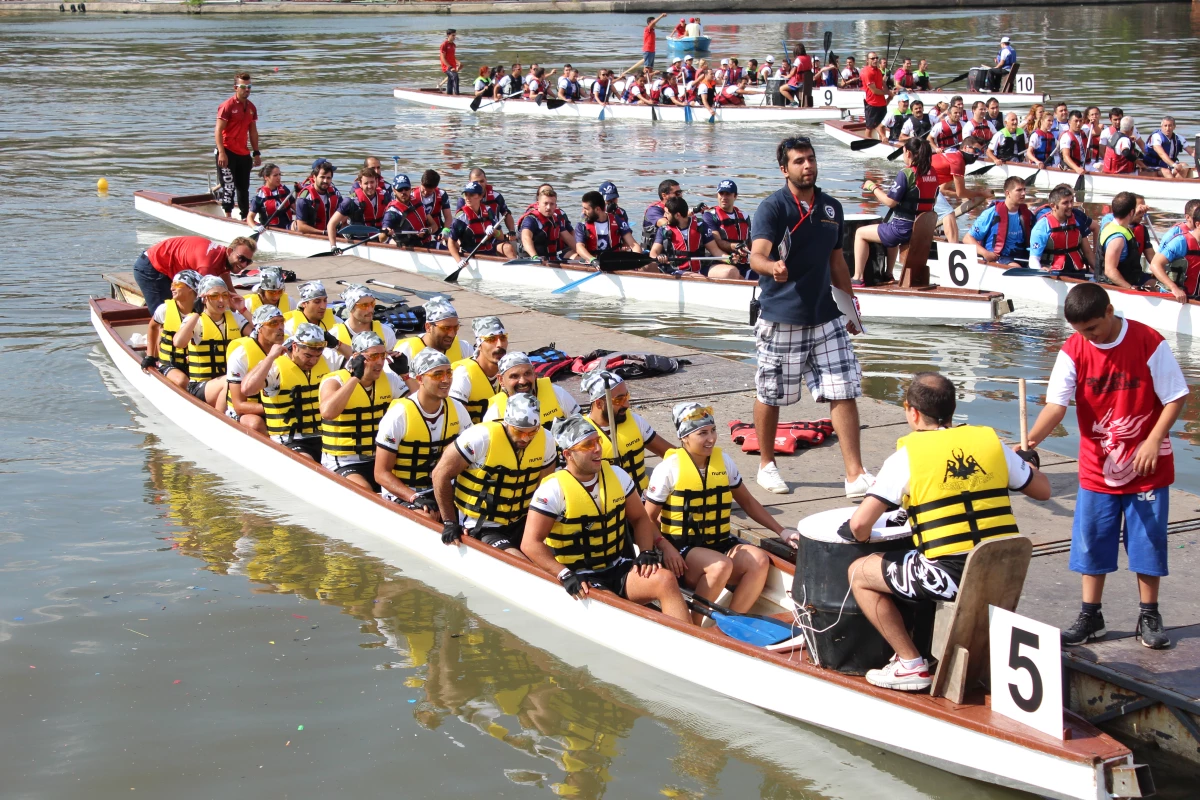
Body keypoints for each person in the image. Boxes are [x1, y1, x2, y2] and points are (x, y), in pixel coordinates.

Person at [844, 372, 1050, 690]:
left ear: (912, 412)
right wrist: (1026, 463)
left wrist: (859, 539)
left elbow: (859, 525)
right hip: (1004, 572)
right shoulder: (992, 444)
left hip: (953, 576)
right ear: (953, 409)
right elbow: (1043, 490)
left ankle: (910, 664)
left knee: (860, 572)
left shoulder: (906, 459)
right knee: (914, 559)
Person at [1026, 283, 1187, 649]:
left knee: (1148, 542)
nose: (1088, 337)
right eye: (1080, 332)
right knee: (1092, 541)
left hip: (1148, 467)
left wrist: (1151, 440)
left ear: (1110, 312)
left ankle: (1149, 613)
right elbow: (1056, 406)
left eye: (1093, 329)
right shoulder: (1073, 349)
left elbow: (1176, 397)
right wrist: (1030, 442)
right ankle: (1090, 614)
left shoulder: (1149, 341)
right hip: (1098, 467)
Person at [748, 136, 868, 497]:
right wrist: (772, 267)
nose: (808, 166)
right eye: (799, 161)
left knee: (844, 389)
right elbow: (756, 257)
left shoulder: (831, 208)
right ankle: (766, 464)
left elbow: (837, 262)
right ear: (784, 169)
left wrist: (851, 306)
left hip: (826, 317)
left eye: (811, 159)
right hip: (782, 316)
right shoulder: (772, 208)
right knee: (772, 394)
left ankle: (855, 475)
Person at [523, 415, 690, 622]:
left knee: (665, 579)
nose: (597, 449)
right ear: (568, 454)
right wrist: (564, 574)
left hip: (617, 566)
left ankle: (690, 643)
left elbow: (639, 518)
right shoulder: (552, 490)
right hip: (581, 576)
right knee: (617, 608)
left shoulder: (618, 475)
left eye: (598, 441)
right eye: (587, 445)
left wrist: (646, 551)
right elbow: (530, 543)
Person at [644, 403, 789, 622]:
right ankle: (694, 625)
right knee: (720, 565)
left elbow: (748, 502)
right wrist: (663, 546)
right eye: (702, 433)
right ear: (684, 438)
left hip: (719, 545)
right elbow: (646, 520)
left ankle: (731, 625)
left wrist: (783, 531)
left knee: (759, 561)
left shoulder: (724, 462)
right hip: (680, 553)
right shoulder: (668, 469)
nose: (711, 438)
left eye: (712, 430)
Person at [435, 393, 556, 553]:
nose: (525, 439)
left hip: (523, 522)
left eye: (532, 432)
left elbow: (544, 488)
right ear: (506, 422)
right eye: (519, 432)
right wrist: (450, 522)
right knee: (517, 561)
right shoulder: (480, 438)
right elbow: (440, 474)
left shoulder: (546, 440)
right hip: (482, 524)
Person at [375, 348, 471, 517]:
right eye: (437, 375)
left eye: (449, 373)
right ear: (420, 379)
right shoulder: (399, 415)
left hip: (441, 487)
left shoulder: (457, 409)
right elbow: (381, 473)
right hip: (405, 491)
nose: (446, 380)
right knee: (428, 516)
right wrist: (413, 497)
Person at [318, 330, 409, 490]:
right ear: (356, 357)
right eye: (373, 356)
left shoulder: (389, 379)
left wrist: (406, 375)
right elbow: (328, 412)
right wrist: (355, 378)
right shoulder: (335, 380)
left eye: (383, 355)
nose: (380, 362)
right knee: (364, 490)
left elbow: (421, 403)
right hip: (344, 461)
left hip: (379, 459)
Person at [853, 138, 939, 285]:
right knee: (889, 231)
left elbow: (890, 202)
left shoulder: (906, 174)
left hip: (903, 229)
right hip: (922, 230)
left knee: (860, 233)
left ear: (909, 153)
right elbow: (933, 200)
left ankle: (857, 278)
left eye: (903, 152)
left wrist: (872, 187)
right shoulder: (934, 173)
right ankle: (888, 274)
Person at [579, 370, 672, 495]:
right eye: (619, 400)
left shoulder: (635, 420)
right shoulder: (579, 434)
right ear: (599, 404)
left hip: (641, 499)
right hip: (608, 507)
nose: (627, 404)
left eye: (626, 396)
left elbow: (670, 453)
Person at [174, 274, 252, 406]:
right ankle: (221, 418)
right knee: (229, 380)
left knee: (237, 381)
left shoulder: (235, 318)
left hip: (229, 382)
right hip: (199, 386)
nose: (221, 300)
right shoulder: (195, 320)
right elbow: (179, 343)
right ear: (203, 299)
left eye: (225, 295)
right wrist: (197, 312)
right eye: (214, 296)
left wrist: (243, 309)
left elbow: (262, 335)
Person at [259, 322, 331, 462]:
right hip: (289, 440)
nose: (313, 361)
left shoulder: (327, 361)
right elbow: (248, 388)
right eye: (308, 356)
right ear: (295, 347)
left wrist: (338, 345)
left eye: (317, 356)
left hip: (323, 437)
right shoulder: (275, 367)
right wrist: (269, 358)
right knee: (308, 463)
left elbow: (360, 370)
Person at [133, 235, 252, 316]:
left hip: (168, 266)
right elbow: (202, 300)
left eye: (248, 261)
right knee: (166, 315)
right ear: (230, 251)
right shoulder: (206, 266)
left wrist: (240, 314)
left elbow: (229, 288)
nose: (244, 264)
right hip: (151, 268)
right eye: (241, 258)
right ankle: (158, 351)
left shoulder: (224, 257)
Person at [225, 304, 287, 433]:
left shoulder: (290, 348)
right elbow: (239, 406)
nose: (280, 328)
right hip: (247, 414)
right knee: (255, 423)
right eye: (273, 323)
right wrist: (276, 407)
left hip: (281, 407)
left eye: (282, 322)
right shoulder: (240, 355)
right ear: (260, 328)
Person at [141, 269, 202, 391]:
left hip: (196, 364)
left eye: (177, 285)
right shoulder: (164, 309)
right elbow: (153, 327)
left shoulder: (203, 313)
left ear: (191, 288)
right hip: (170, 364)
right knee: (182, 381)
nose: (172, 288)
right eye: (171, 285)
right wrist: (150, 356)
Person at [483, 351, 580, 427]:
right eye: (514, 376)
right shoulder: (495, 413)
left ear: (534, 373)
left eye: (527, 373)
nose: (523, 381)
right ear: (501, 380)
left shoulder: (556, 393)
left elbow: (581, 425)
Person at [649, 196, 737, 279]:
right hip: (676, 270)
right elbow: (653, 252)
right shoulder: (663, 230)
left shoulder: (701, 226)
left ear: (677, 215)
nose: (665, 215)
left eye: (667, 213)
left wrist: (730, 259)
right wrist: (659, 257)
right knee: (699, 278)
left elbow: (716, 251)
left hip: (701, 269)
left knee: (731, 271)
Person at [213, 72, 260, 222]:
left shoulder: (251, 107)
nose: (247, 89)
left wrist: (256, 152)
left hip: (243, 152)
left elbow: (253, 131)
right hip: (226, 151)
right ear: (236, 88)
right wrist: (221, 152)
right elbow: (218, 130)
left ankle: (245, 217)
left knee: (243, 187)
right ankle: (227, 216)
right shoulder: (227, 106)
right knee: (229, 185)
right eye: (243, 87)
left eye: (249, 87)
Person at [965, 177, 1032, 268]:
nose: (1024, 193)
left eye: (1024, 190)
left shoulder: (1027, 214)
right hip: (998, 257)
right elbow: (967, 238)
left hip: (1021, 256)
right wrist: (985, 253)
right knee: (1016, 268)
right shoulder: (991, 213)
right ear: (1008, 193)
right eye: (1019, 190)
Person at [931, 135, 988, 244]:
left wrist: (969, 195)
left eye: (980, 152)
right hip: (920, 182)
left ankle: (929, 232)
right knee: (948, 213)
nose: (977, 154)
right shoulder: (958, 161)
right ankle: (954, 247)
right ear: (965, 148)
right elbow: (961, 192)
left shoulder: (953, 155)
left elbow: (944, 190)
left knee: (937, 210)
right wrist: (980, 194)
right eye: (975, 150)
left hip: (925, 183)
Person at [450, 316, 507, 424]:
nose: (499, 344)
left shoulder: (512, 371)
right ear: (479, 345)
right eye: (491, 339)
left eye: (503, 338)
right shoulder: (464, 374)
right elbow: (456, 419)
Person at [328, 284, 398, 369]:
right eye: (364, 305)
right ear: (351, 307)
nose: (370, 310)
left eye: (372, 304)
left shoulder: (386, 332)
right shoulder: (334, 335)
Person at [1029, 184, 1094, 275]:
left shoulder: (1077, 222)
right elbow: (1034, 259)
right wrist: (1039, 270)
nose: (1070, 206)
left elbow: (1088, 252)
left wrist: (1099, 273)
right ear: (1053, 206)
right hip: (1053, 272)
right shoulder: (1041, 227)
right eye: (1065, 203)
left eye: (1071, 201)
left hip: (1076, 271)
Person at [446, 181, 516, 261]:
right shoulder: (461, 217)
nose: (468, 198)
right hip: (470, 255)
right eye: (466, 195)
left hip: (490, 253)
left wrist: (494, 231)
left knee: (509, 248)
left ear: (480, 196)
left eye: (471, 195)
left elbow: (500, 237)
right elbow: (451, 242)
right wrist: (459, 261)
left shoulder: (488, 211)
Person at [1097, 192, 1154, 289]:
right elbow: (1110, 271)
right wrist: (1130, 288)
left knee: (1158, 283)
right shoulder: (1117, 238)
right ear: (1131, 212)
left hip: (1133, 277)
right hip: (1116, 284)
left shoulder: (1122, 227)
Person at [394, 295, 474, 364]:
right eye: (446, 328)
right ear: (428, 327)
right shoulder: (405, 351)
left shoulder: (464, 349)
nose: (452, 334)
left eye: (456, 327)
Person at [1148, 204, 1200, 302]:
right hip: (1174, 298)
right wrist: (1174, 288)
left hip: (1195, 298)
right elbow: (1154, 265)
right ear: (1198, 224)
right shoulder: (1180, 242)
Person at [327, 168, 388, 250]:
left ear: (376, 181)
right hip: (358, 239)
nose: (370, 186)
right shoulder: (350, 201)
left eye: (372, 182)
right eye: (366, 183)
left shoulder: (386, 196)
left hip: (380, 236)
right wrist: (333, 246)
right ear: (360, 184)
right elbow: (331, 224)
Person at [575, 190, 640, 261]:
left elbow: (634, 245)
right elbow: (579, 247)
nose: (583, 211)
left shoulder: (618, 220)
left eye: (586, 209)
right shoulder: (582, 225)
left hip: (615, 261)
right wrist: (593, 260)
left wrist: (636, 262)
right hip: (593, 263)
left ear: (597, 209)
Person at [701, 180, 751, 269]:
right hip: (720, 263)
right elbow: (718, 242)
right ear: (717, 195)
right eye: (721, 193)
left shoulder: (745, 216)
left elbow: (750, 242)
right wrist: (736, 247)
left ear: (735, 196)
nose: (724, 197)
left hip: (743, 262)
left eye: (727, 194)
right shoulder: (709, 216)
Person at [518, 184, 576, 261]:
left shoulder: (556, 219)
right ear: (538, 204)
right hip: (532, 260)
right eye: (545, 203)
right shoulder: (531, 219)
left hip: (551, 259)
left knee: (578, 256)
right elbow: (526, 238)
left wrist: (588, 256)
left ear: (555, 206)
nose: (548, 207)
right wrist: (535, 257)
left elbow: (569, 240)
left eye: (552, 204)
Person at [381, 173, 435, 247]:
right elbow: (381, 239)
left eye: (406, 189)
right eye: (400, 189)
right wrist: (386, 233)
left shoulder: (418, 203)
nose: (403, 192)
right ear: (394, 190)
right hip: (409, 248)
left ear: (410, 189)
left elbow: (434, 226)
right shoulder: (391, 212)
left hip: (427, 244)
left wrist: (428, 230)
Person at [292, 160, 342, 236]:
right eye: (322, 177)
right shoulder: (305, 197)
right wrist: (324, 233)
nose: (325, 181)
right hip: (312, 234)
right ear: (314, 177)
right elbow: (301, 227)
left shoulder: (335, 192)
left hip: (330, 233)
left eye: (328, 178)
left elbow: (345, 213)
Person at [247, 163, 291, 230]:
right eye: (275, 175)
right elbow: (250, 217)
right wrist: (254, 227)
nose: (278, 177)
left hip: (288, 225)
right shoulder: (259, 197)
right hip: (273, 229)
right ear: (266, 177)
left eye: (279, 174)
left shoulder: (284, 190)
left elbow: (296, 208)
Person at [860, 52, 889, 140]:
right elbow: (875, 91)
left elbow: (882, 84)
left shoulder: (879, 71)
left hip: (882, 103)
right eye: (873, 58)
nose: (875, 60)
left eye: (876, 58)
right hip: (872, 103)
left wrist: (887, 88)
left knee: (882, 126)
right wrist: (887, 93)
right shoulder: (866, 72)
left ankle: (882, 141)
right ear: (867, 60)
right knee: (870, 126)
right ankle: (867, 142)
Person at [1055, 110, 1087, 176]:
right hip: (1072, 166)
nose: (1078, 124)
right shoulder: (1066, 137)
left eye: (1080, 121)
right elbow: (1065, 157)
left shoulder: (1083, 133)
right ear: (1069, 122)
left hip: (1084, 163)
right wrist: (1077, 169)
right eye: (1076, 121)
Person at [440, 29, 461, 95]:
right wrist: (450, 67)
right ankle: (457, 95)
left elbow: (452, 56)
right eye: (453, 35)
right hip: (446, 67)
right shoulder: (444, 45)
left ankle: (449, 94)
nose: (454, 37)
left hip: (453, 66)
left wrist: (458, 63)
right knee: (455, 76)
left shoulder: (453, 45)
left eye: (455, 35)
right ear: (448, 35)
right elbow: (442, 58)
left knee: (450, 79)